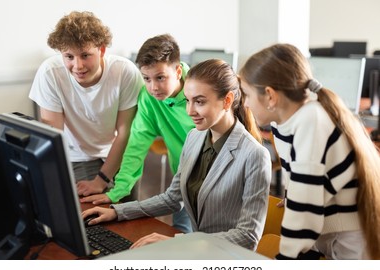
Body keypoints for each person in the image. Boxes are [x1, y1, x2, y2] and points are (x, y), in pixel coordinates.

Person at [82, 59, 272, 250]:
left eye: (199, 102)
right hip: (196, 251)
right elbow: (172, 198)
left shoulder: (254, 155)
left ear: (228, 100)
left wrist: (179, 241)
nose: (190, 111)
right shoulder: (194, 137)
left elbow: (248, 236)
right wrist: (118, 212)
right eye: (188, 101)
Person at [239, 43, 380, 260]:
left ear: (270, 96)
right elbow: (306, 183)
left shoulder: (310, 120)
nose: (245, 104)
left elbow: (304, 211)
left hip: (349, 240)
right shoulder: (284, 123)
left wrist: (286, 259)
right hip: (323, 231)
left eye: (247, 95)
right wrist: (295, 194)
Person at [78, 34, 195, 233]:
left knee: (210, 239)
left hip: (216, 181)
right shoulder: (148, 98)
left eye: (160, 78)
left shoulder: (200, 91)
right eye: (146, 79)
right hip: (184, 180)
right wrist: (117, 192)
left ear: (177, 71)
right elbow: (136, 145)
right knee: (181, 232)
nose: (153, 87)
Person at [29, 11, 143, 193]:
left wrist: (102, 179)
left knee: (128, 215)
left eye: (85, 55)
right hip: (78, 156)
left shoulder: (125, 72)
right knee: (90, 216)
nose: (78, 66)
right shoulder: (50, 73)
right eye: (69, 56)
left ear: (102, 50)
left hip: (121, 151)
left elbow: (125, 132)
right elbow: (54, 135)